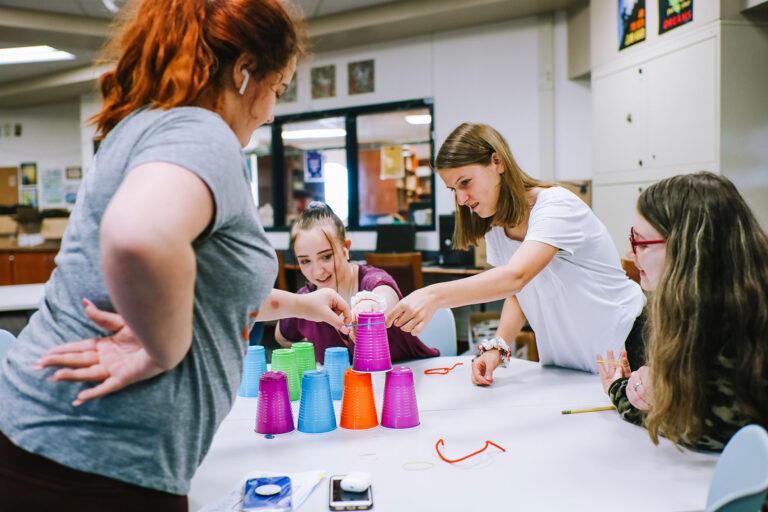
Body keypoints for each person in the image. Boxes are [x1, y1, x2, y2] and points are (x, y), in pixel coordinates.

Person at [0, 1, 352, 509]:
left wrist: (302, 305)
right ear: (243, 70)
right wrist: (162, 349)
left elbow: (206, 290)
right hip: (92, 457)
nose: (272, 109)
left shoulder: (150, 125)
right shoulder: (203, 133)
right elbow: (140, 236)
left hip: (59, 442)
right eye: (276, 89)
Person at [386, 122, 646, 381]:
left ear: (497, 162)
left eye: (465, 182)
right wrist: (498, 347)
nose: (461, 199)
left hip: (629, 347)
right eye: (453, 189)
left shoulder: (556, 205)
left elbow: (516, 276)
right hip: (572, 365)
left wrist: (432, 295)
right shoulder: (497, 230)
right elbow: (517, 293)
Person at [597, 172, 768, 451]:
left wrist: (623, 392)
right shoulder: (720, 303)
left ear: (686, 249)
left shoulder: (732, 322)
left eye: (639, 241)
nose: (630, 253)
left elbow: (703, 428)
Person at [275, 201, 440, 363]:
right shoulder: (306, 298)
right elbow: (282, 337)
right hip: (347, 389)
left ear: (345, 247)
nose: (318, 271)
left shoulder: (372, 279)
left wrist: (369, 304)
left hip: (409, 382)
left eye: (326, 256)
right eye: (305, 261)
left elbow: (386, 297)